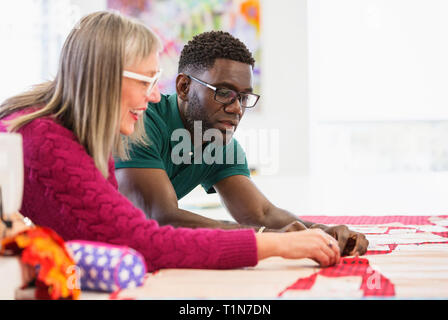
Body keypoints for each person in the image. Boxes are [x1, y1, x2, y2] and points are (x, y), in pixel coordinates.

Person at [0, 11, 342, 271]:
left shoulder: (90, 140)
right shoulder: (47, 139)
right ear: (104, 77)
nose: (152, 97)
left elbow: (261, 212)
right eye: (146, 81)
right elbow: (142, 236)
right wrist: (272, 244)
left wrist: (320, 233)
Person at [115, 31, 369, 256]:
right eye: (223, 92)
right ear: (184, 87)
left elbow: (261, 214)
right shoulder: (141, 121)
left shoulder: (218, 142)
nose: (236, 108)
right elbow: (158, 215)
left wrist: (323, 233)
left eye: (244, 96)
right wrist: (267, 239)